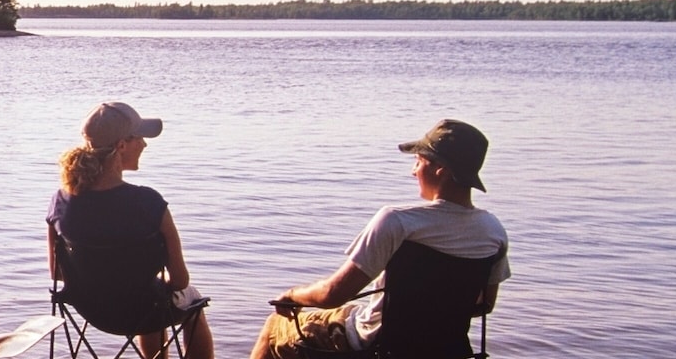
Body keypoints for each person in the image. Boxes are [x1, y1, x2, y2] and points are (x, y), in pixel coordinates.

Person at [250, 119, 511, 359]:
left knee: (276, 327)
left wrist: (293, 295)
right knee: (351, 313)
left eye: (418, 161)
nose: (413, 171)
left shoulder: (398, 222)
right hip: (446, 349)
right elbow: (484, 304)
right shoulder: (493, 231)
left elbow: (333, 294)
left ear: (440, 169)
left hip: (376, 345)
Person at [48, 102, 214, 359]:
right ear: (121, 146)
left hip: (92, 311)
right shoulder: (149, 203)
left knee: (149, 291)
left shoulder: (61, 200)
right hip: (143, 310)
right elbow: (181, 281)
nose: (145, 145)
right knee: (183, 297)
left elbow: (57, 273)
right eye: (139, 138)